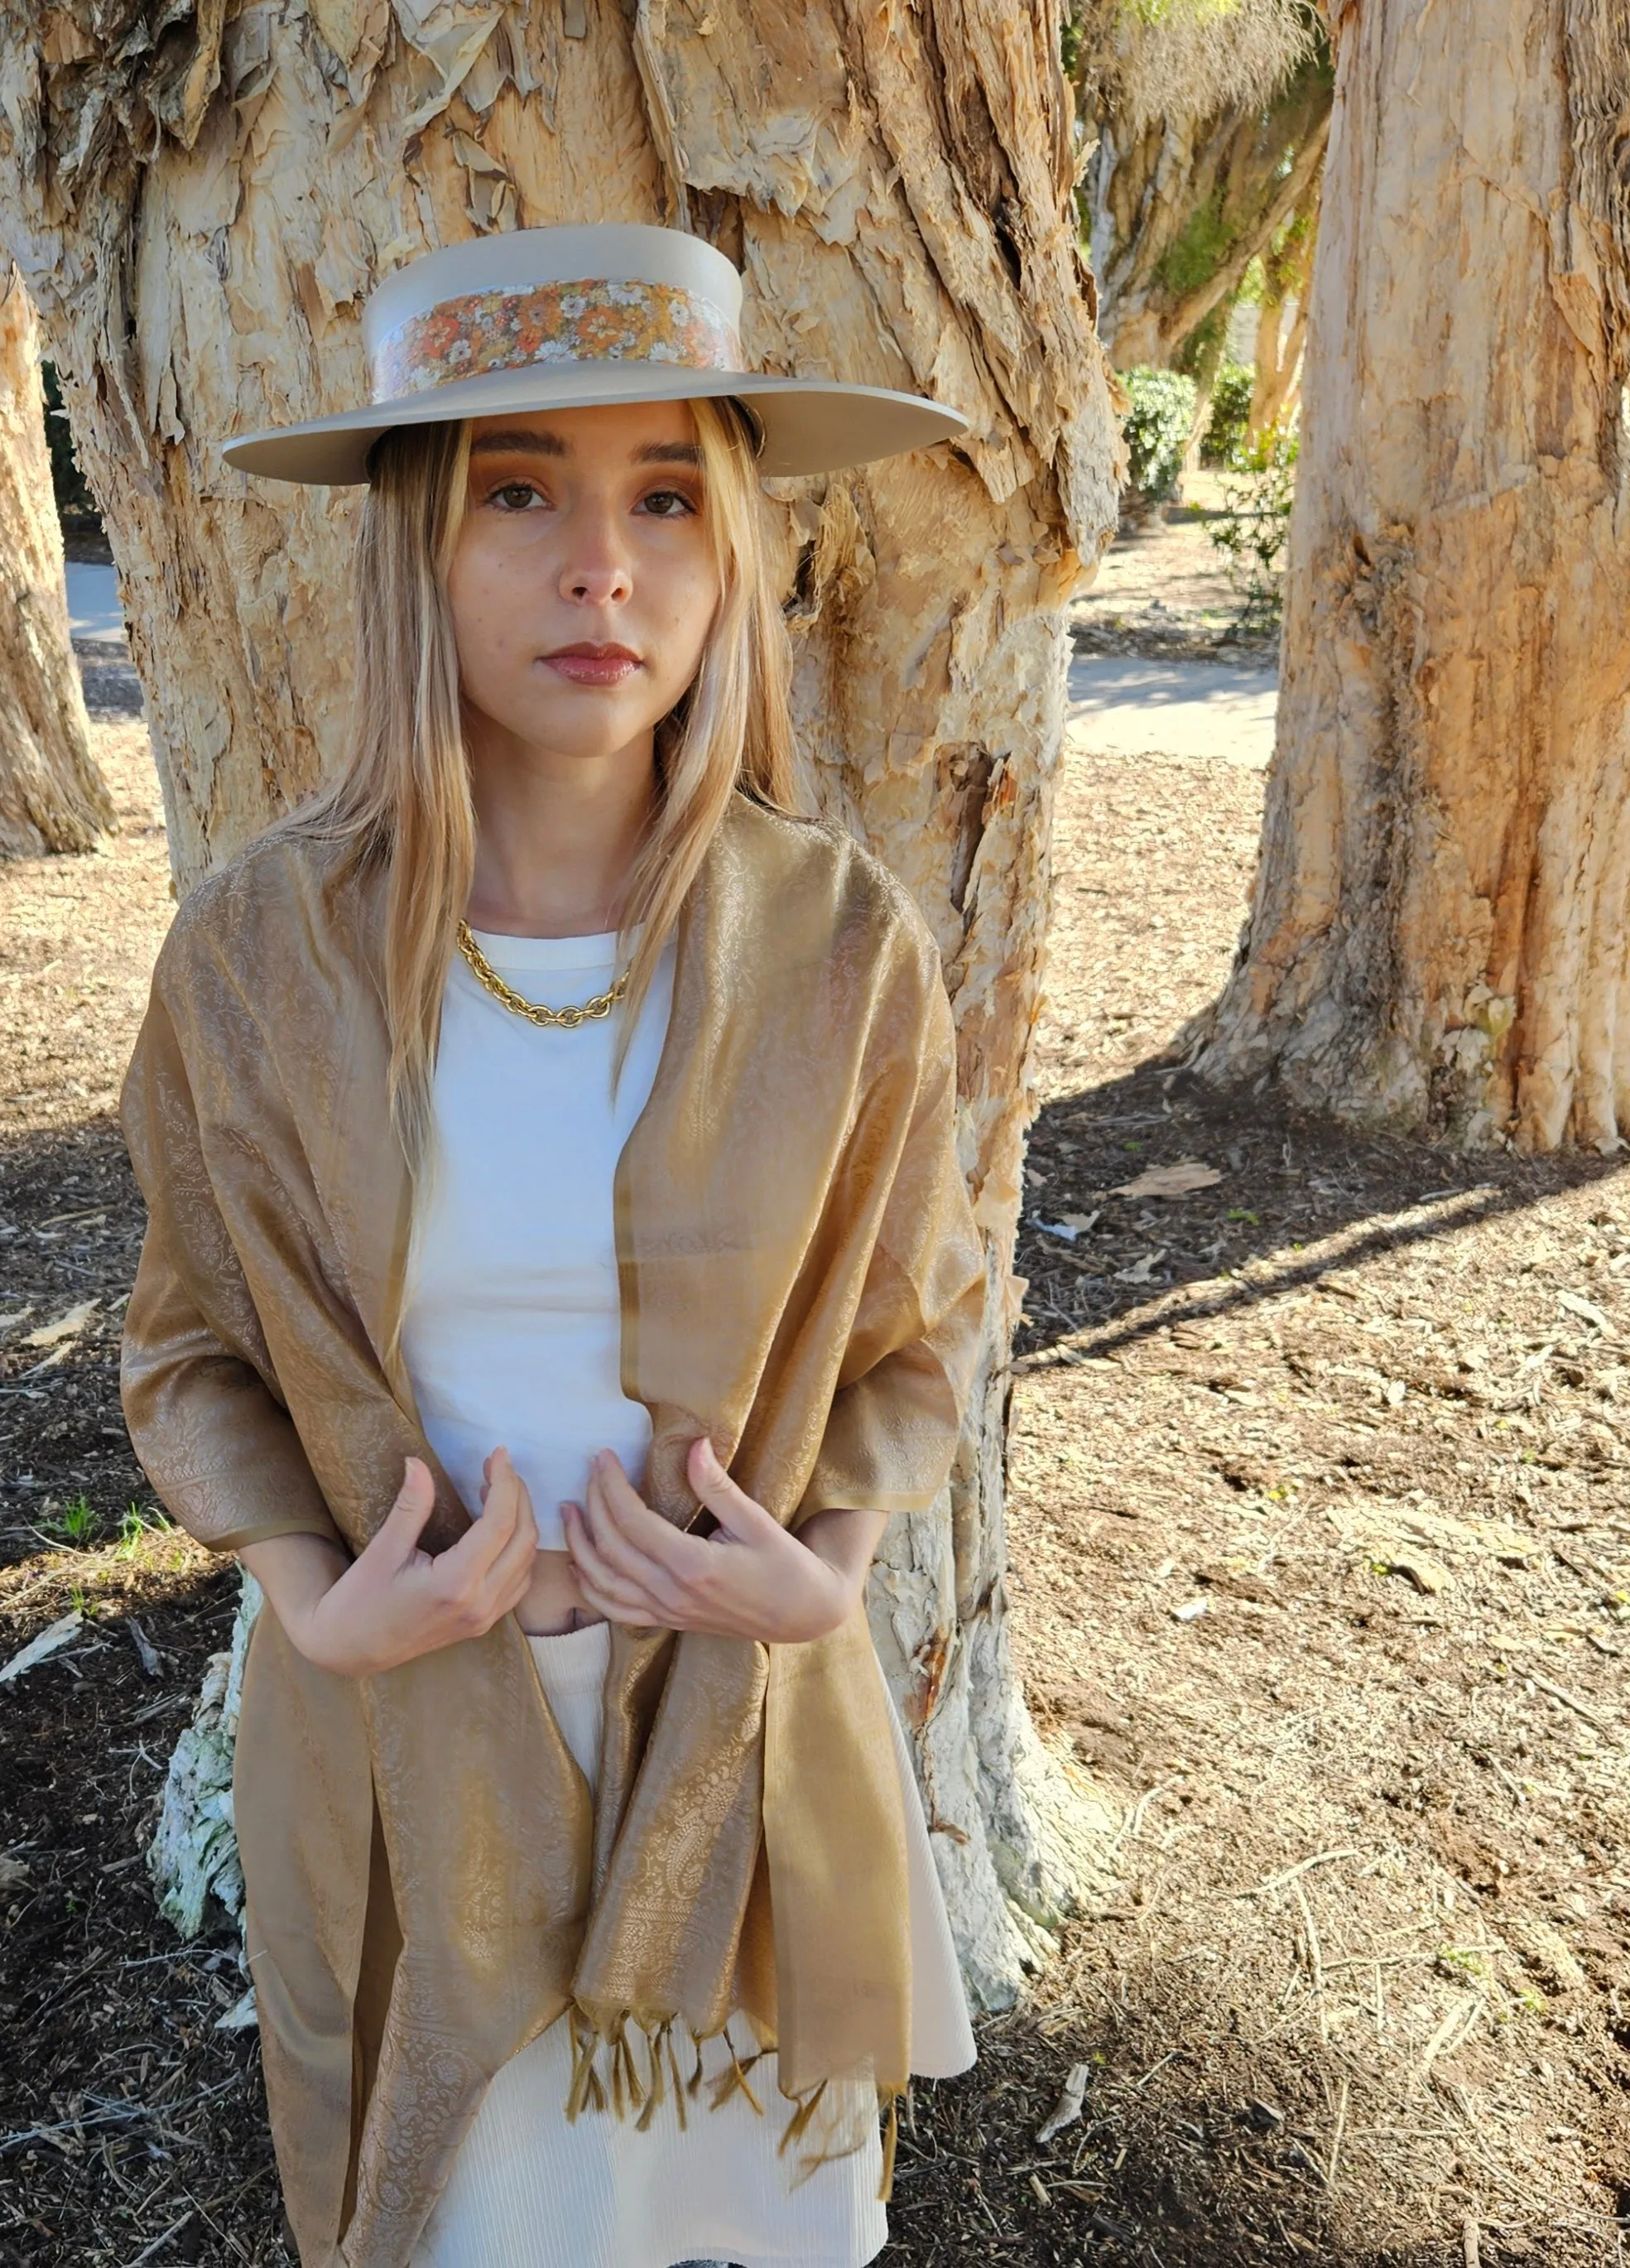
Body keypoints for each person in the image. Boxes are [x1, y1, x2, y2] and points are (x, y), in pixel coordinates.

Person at [119, 222, 987, 2268]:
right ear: (419, 543)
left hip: (734, 1757)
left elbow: (917, 1332)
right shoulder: (258, 961)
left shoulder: (842, 950)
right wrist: (312, 1605)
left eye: (665, 498)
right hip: (420, 1757)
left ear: (731, 554)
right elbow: (183, 1349)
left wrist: (819, 1577)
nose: (602, 565)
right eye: (521, 492)